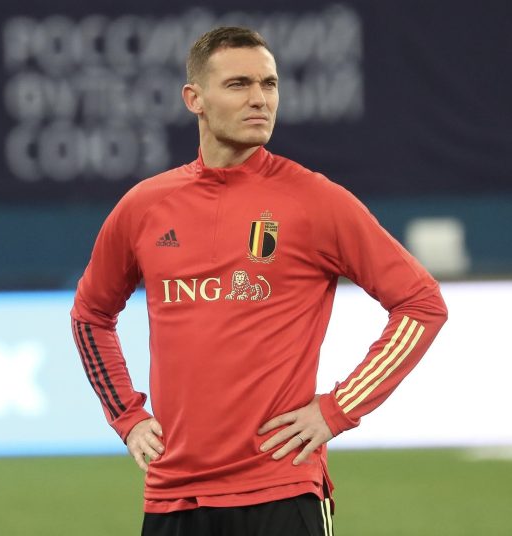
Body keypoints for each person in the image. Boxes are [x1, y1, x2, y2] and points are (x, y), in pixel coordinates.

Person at [71, 26, 447, 536]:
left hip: (282, 489)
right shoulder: (145, 207)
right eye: (239, 84)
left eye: (269, 84)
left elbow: (422, 304)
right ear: (194, 99)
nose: (259, 99)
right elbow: (91, 315)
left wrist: (338, 409)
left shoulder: (315, 201)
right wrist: (128, 416)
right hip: (174, 494)